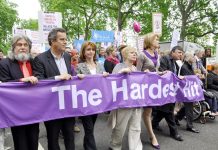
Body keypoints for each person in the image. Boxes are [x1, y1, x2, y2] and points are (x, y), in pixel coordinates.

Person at [33, 28, 75, 150]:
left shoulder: (67, 56)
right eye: (62, 39)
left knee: (70, 136)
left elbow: (70, 76)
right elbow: (39, 81)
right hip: (51, 106)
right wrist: (57, 78)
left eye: (66, 39)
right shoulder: (40, 59)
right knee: (53, 138)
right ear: (52, 41)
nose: (65, 42)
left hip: (67, 104)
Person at [0, 35, 39, 150]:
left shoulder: (34, 62)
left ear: (29, 48)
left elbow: (42, 78)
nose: (22, 47)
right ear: (13, 48)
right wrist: (22, 81)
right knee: (21, 145)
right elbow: (5, 85)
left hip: (34, 111)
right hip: (16, 112)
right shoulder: (5, 64)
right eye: (19, 45)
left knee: (34, 142)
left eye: (25, 45)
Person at [109, 46, 143, 150]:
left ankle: (135, 147)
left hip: (136, 102)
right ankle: (115, 146)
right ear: (125, 55)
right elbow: (112, 81)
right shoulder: (119, 66)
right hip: (123, 103)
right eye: (132, 52)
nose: (134, 54)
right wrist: (122, 72)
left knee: (136, 127)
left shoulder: (135, 68)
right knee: (120, 127)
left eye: (135, 53)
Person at [76, 41, 107, 150]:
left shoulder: (100, 65)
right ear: (83, 52)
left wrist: (106, 76)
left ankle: (86, 145)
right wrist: (77, 78)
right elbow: (74, 84)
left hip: (96, 101)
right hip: (85, 102)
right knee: (89, 128)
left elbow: (105, 82)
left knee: (91, 128)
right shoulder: (79, 66)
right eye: (88, 49)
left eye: (93, 49)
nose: (91, 52)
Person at [152, 46, 184, 141]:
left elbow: (174, 75)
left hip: (171, 89)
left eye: (182, 53)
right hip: (165, 90)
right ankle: (174, 132)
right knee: (169, 111)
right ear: (172, 52)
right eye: (179, 52)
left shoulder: (175, 63)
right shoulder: (165, 59)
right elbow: (163, 74)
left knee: (163, 110)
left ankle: (154, 123)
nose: (180, 54)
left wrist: (179, 77)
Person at [136, 33, 160, 149]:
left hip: (153, 87)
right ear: (150, 41)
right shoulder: (142, 55)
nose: (158, 41)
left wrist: (161, 73)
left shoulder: (156, 54)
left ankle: (147, 134)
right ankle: (151, 136)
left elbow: (156, 70)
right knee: (143, 112)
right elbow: (136, 73)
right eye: (156, 39)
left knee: (148, 112)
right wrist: (144, 73)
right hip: (142, 87)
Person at [175, 52, 200, 133]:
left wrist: (196, 76)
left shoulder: (188, 66)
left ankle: (176, 118)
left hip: (188, 90)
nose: (194, 58)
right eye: (192, 57)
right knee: (189, 107)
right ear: (188, 58)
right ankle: (190, 126)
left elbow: (190, 77)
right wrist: (195, 77)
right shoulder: (185, 67)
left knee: (187, 107)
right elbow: (188, 79)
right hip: (186, 90)